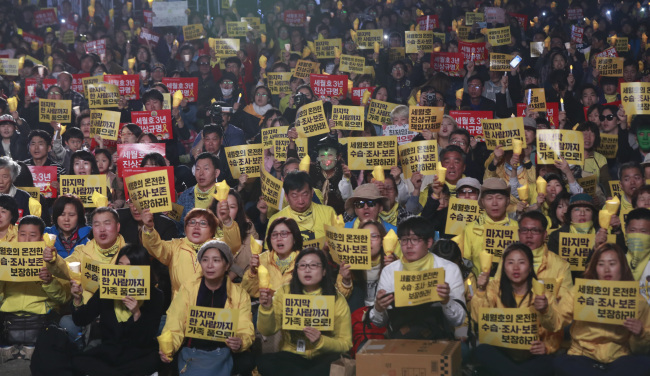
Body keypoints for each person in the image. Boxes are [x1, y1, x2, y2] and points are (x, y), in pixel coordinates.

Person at [548, 244, 650, 375]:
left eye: (612, 264)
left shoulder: (637, 300)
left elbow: (643, 349)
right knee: (560, 364)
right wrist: (546, 310)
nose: (606, 269)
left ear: (622, 267)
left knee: (645, 364)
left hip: (620, 358)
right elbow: (555, 321)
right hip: (581, 356)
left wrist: (640, 333)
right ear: (595, 268)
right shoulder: (579, 293)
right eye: (601, 264)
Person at [160, 240, 255, 376]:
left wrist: (240, 341)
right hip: (192, 349)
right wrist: (169, 347)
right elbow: (175, 322)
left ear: (227, 265)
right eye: (205, 260)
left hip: (223, 350)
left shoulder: (240, 295)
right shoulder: (188, 289)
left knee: (247, 361)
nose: (210, 265)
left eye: (216, 260)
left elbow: (246, 328)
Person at [69, 245, 163, 376]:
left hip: (138, 354)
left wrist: (136, 313)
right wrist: (77, 299)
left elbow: (145, 339)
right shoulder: (106, 289)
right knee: (77, 361)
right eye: (120, 265)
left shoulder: (156, 296)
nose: (123, 271)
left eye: (130, 266)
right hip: (110, 352)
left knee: (153, 361)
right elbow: (81, 319)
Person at [472, 243, 564, 376]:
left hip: (532, 356)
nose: (516, 268)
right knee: (483, 351)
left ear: (530, 266)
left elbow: (556, 327)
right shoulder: (492, 287)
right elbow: (478, 319)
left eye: (521, 262)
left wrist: (547, 347)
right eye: (510, 262)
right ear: (504, 267)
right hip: (502, 353)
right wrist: (481, 290)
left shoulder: (543, 294)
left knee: (553, 362)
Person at [256, 248, 352, 376]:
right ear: (296, 270)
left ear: (324, 271)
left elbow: (345, 344)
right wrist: (266, 308)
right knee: (265, 362)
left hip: (323, 357)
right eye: (302, 265)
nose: (307, 269)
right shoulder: (284, 292)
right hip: (292, 356)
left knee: (332, 366)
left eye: (313, 265)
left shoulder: (337, 299)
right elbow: (267, 330)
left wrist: (321, 341)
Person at [370, 217, 466, 339]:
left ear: (429, 242)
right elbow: (378, 323)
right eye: (404, 240)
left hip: (439, 337)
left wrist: (446, 300)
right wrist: (378, 308)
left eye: (415, 240)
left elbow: (458, 320)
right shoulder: (390, 271)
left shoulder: (449, 269)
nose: (409, 246)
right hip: (400, 337)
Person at [0, 215, 70, 362]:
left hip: (41, 318)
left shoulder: (51, 259)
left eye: (32, 235)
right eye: (22, 234)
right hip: (8, 318)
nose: (26, 239)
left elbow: (63, 298)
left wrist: (49, 281)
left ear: (41, 237)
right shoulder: (6, 256)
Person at [141, 205, 240, 298]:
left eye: (203, 223)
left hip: (211, 308)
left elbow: (234, 243)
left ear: (212, 230)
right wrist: (149, 228)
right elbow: (155, 246)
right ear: (185, 229)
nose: (196, 226)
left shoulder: (218, 246)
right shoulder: (174, 247)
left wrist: (227, 221)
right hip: (181, 308)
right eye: (192, 222)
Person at [463, 178, 519, 277]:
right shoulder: (470, 228)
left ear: (507, 201)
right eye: (489, 198)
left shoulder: (517, 228)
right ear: (483, 202)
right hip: (479, 287)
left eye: (499, 198)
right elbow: (466, 264)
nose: (494, 203)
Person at [266, 171, 336, 243]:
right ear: (286, 197)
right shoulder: (276, 220)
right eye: (294, 196)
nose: (301, 201)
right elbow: (270, 252)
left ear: (312, 193)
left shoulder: (328, 213)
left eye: (305, 194)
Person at [242, 217, 302, 299]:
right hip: (267, 308)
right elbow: (248, 292)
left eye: (284, 234)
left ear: (294, 238)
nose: (279, 238)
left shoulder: (304, 260)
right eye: (274, 235)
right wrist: (252, 272)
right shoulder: (261, 259)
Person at [175, 153, 221, 234]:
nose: (201, 173)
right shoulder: (185, 195)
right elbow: (177, 224)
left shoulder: (225, 195)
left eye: (206, 169)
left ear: (216, 173)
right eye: (198, 169)